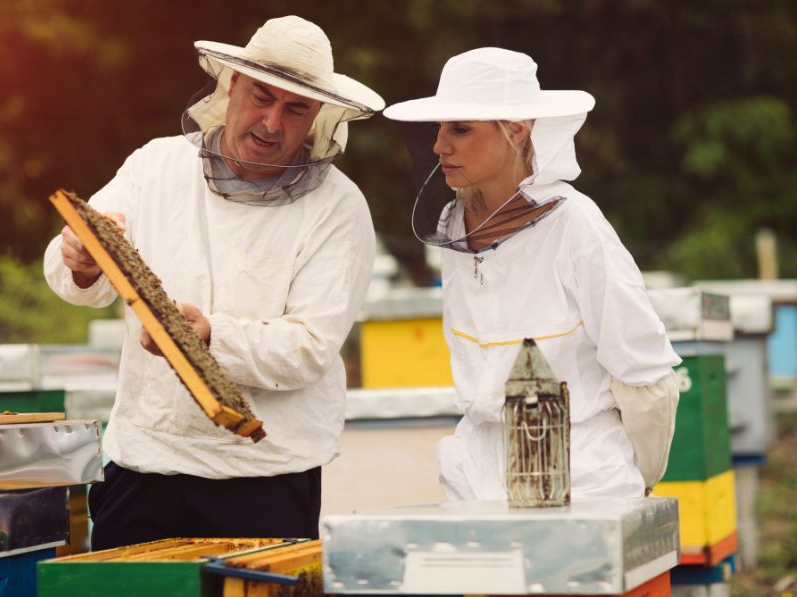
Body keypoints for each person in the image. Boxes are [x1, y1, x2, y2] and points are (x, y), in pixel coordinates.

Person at [44, 15, 384, 549]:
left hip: (265, 478)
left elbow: (311, 347)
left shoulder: (339, 209)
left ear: (318, 117)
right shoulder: (155, 166)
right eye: (261, 96)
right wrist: (80, 260)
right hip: (145, 466)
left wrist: (210, 336)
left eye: (295, 108)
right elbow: (78, 256)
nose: (272, 122)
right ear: (230, 88)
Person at [383, 47, 680, 500]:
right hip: (476, 476)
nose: (440, 145)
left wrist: (640, 480)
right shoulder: (454, 226)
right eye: (439, 129)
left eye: (461, 129)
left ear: (516, 129)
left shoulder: (577, 225)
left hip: (581, 479)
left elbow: (645, 374)